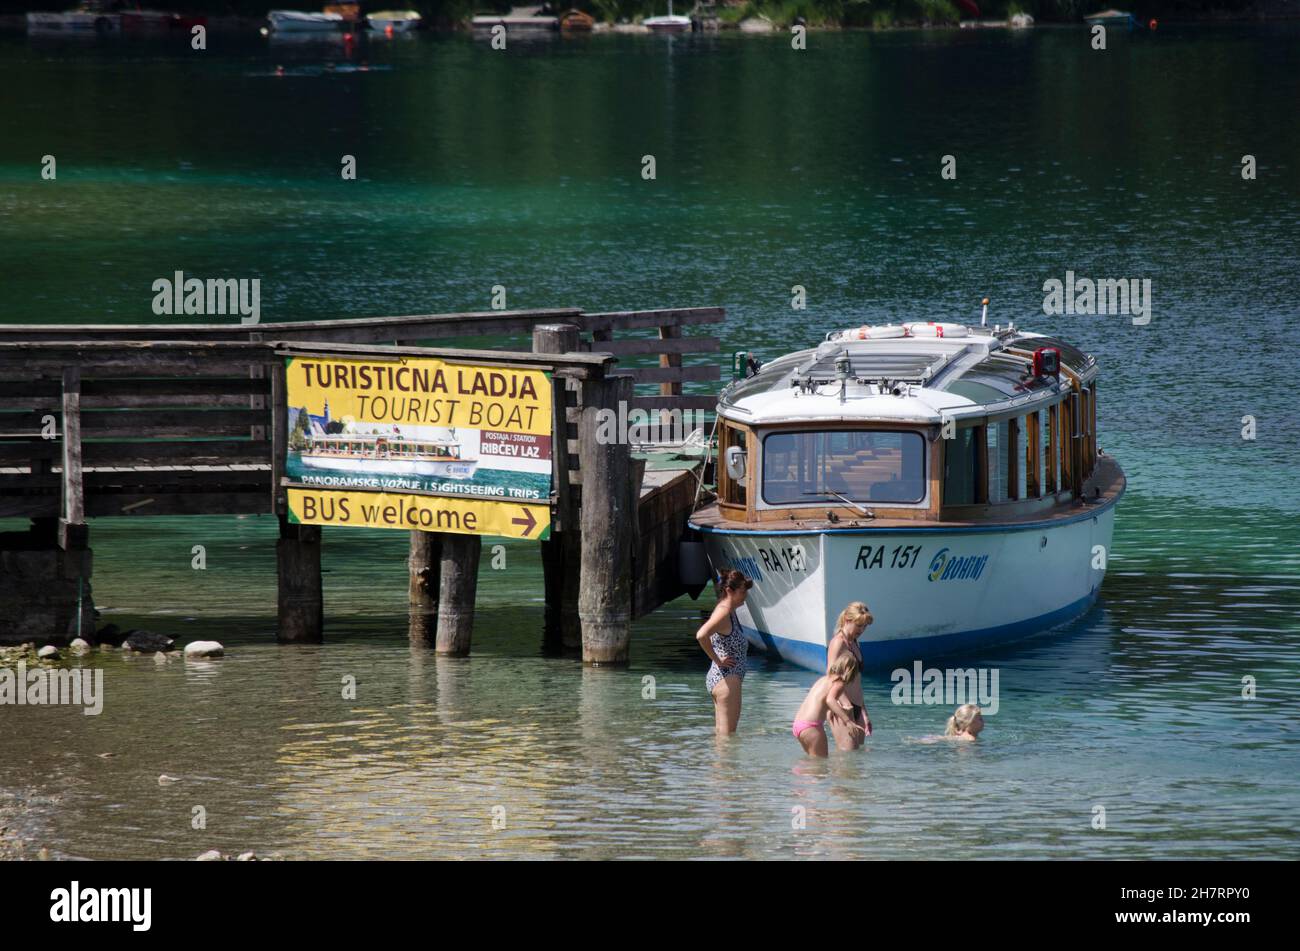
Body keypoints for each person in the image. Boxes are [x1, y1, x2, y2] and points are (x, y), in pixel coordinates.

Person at [695, 569, 752, 735]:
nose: (745, 596)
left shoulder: (726, 609)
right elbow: (701, 635)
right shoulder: (724, 612)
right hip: (727, 680)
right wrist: (718, 660)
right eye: (742, 592)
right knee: (728, 739)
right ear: (729, 591)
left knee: (721, 738)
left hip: (721, 679)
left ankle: (718, 762)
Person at [791, 654, 865, 757]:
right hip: (812, 727)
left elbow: (821, 701)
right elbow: (830, 700)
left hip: (798, 724)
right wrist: (848, 721)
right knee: (820, 766)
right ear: (852, 671)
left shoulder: (823, 679)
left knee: (812, 763)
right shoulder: (838, 683)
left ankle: (796, 772)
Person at [825, 602, 873, 748]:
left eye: (864, 626)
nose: (862, 630)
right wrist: (847, 706)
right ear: (847, 620)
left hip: (857, 706)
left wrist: (864, 713)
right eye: (859, 625)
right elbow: (831, 677)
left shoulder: (855, 643)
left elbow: (856, 682)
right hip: (843, 707)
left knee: (856, 762)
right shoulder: (838, 643)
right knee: (846, 761)